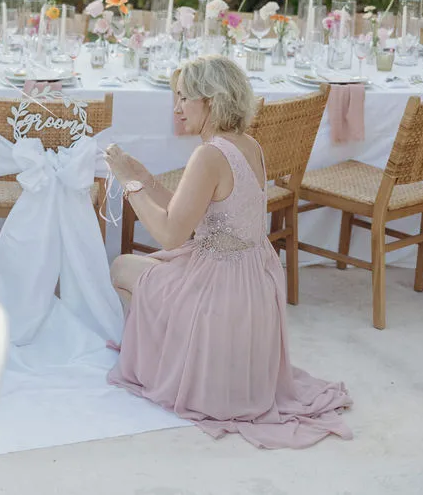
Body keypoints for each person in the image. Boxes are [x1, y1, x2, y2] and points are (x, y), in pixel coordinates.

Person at [103, 55, 352, 448]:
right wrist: (144, 177)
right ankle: (195, 352)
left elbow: (170, 235)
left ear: (211, 100)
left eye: (184, 98)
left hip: (220, 288)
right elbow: (191, 213)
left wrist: (127, 184)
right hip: (253, 287)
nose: (177, 108)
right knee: (156, 269)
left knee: (121, 268)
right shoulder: (248, 144)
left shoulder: (209, 155)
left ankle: (176, 359)